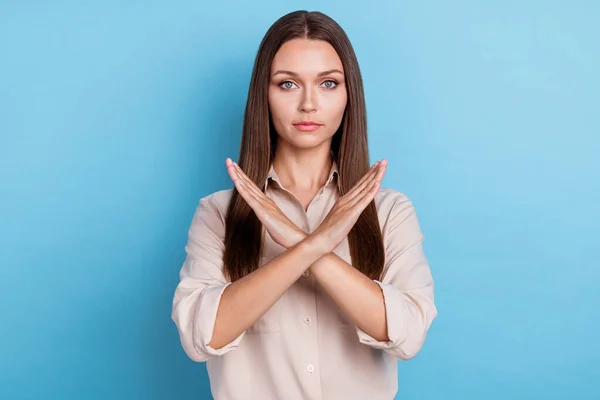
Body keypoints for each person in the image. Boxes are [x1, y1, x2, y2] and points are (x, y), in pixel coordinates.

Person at [171, 9, 437, 400]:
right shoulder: (217, 213)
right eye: (288, 84)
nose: (309, 104)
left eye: (328, 83)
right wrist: (311, 245)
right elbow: (200, 335)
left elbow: (407, 335)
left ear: (350, 96)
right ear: (264, 93)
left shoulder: (391, 211)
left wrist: (297, 242)